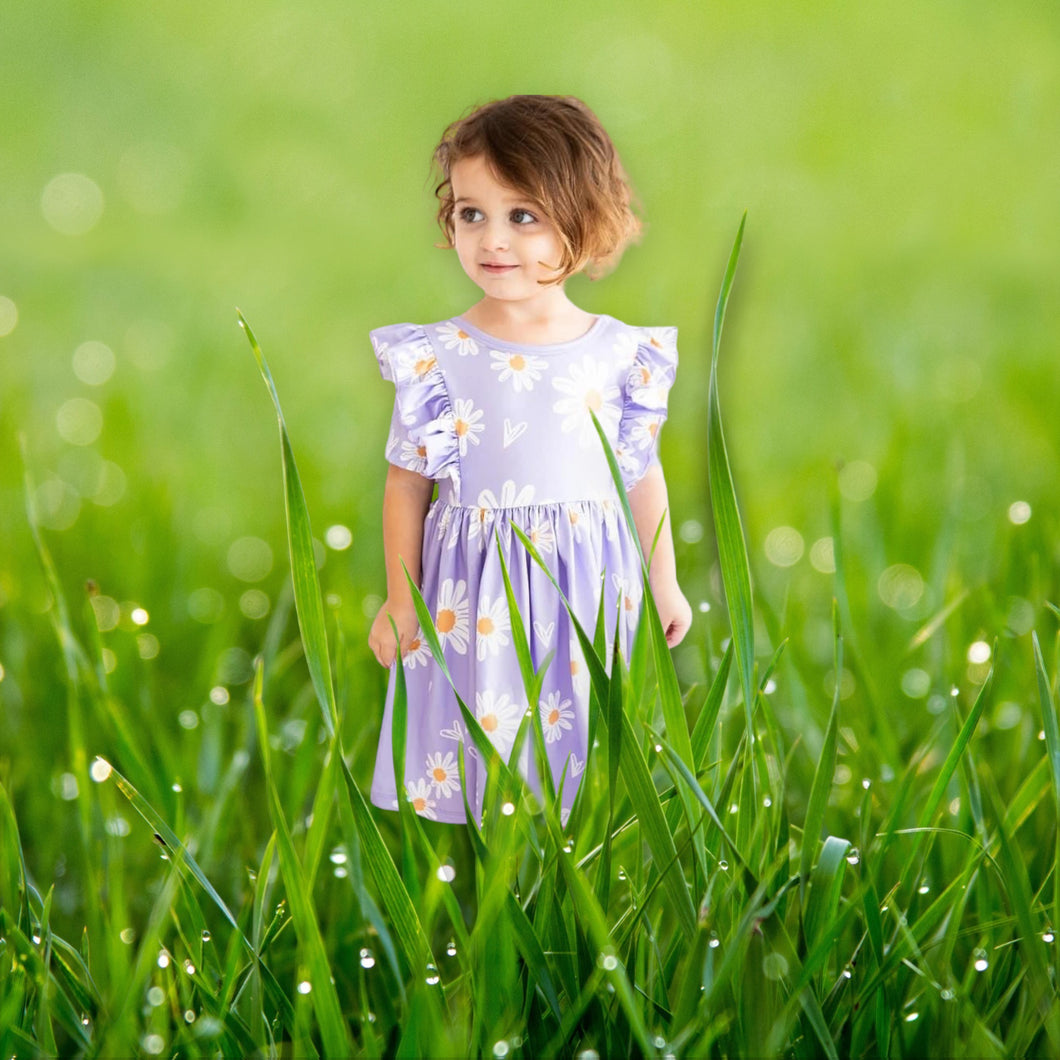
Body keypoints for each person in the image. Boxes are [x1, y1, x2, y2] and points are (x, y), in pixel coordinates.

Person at [367, 95, 691, 824]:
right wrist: (400, 596)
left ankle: (570, 888)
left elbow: (640, 471)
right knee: (489, 747)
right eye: (471, 213)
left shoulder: (617, 354)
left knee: (579, 756)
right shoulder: (438, 357)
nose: (493, 240)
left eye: (524, 216)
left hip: (588, 586)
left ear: (583, 219)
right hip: (474, 593)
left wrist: (662, 579)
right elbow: (406, 483)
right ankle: (493, 886)